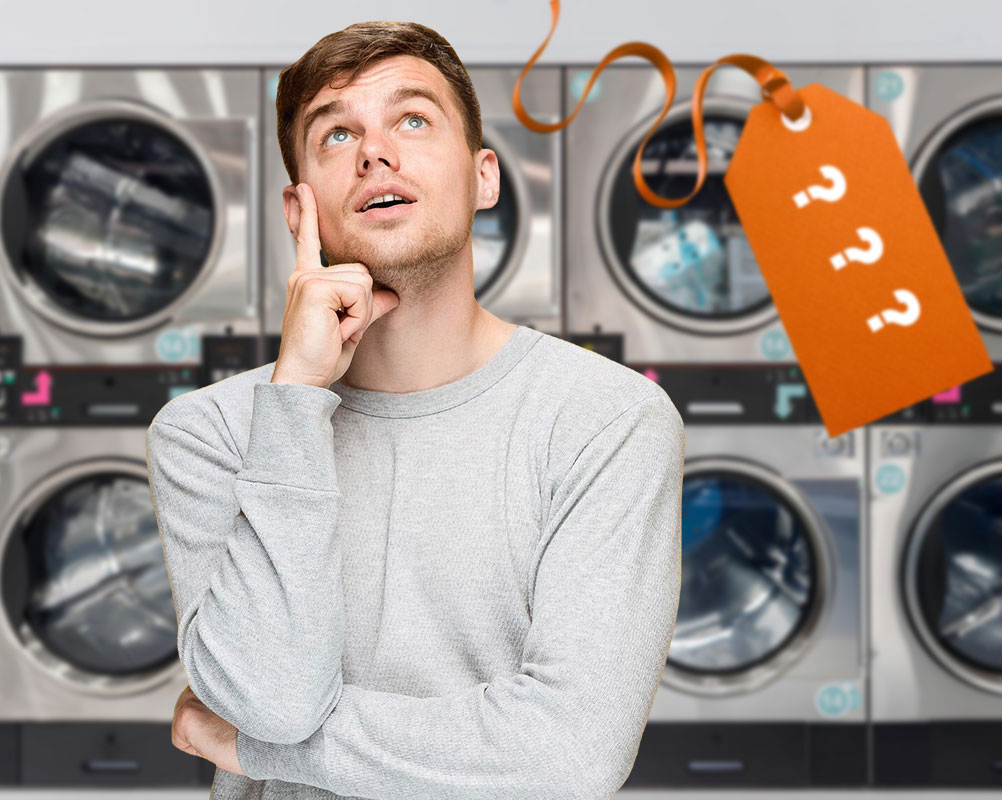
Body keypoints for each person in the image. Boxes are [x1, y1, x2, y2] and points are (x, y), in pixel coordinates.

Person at [144, 19, 685, 800]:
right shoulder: (211, 434)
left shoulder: (604, 419)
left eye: (414, 119)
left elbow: (570, 755)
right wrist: (293, 397)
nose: (374, 152)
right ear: (300, 212)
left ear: (484, 178)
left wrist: (266, 750)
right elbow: (273, 700)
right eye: (335, 136)